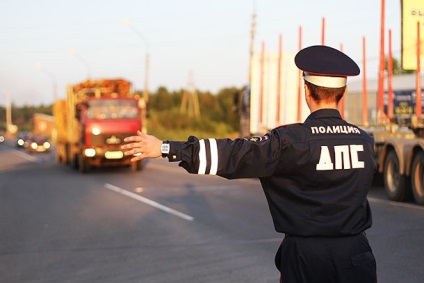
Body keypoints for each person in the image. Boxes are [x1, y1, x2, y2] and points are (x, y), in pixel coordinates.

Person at [121, 45, 377, 283]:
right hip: (356, 254)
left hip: (306, 258)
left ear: (307, 91)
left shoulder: (290, 141)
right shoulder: (365, 141)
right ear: (342, 93)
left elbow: (234, 154)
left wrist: (167, 147)